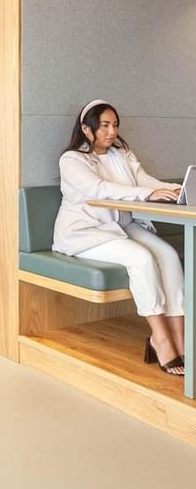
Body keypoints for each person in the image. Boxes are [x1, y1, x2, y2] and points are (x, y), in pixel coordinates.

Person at [53, 99, 184, 376]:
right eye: (104, 125)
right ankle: (160, 339)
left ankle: (181, 339)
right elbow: (98, 189)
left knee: (169, 256)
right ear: (86, 129)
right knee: (141, 258)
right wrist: (147, 194)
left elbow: (144, 181)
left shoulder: (121, 154)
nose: (112, 131)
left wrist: (176, 190)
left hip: (122, 226)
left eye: (115, 125)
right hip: (86, 232)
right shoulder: (72, 160)